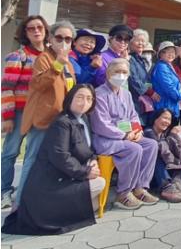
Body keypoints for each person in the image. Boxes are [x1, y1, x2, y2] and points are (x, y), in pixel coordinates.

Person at [2, 85, 105, 235]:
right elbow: (60, 156)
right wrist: (85, 172)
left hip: (69, 175)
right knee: (99, 183)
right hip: (52, 182)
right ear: (70, 99)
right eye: (80, 97)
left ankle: (66, 209)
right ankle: (53, 211)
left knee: (92, 203)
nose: (84, 102)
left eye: (89, 99)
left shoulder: (83, 119)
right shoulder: (62, 123)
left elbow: (86, 148)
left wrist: (92, 159)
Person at [17, 20, 77, 205]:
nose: (63, 42)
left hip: (61, 121)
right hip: (42, 120)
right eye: (59, 38)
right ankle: (19, 203)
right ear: (50, 39)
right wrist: (57, 64)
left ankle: (39, 201)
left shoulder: (69, 64)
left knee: (52, 162)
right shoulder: (44, 58)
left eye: (68, 39)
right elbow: (39, 84)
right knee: (33, 159)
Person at [90, 58, 159, 209]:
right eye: (117, 72)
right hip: (105, 139)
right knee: (134, 149)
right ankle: (123, 193)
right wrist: (124, 135)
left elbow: (133, 115)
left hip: (127, 135)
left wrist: (138, 131)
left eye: (124, 72)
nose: (120, 75)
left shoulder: (126, 94)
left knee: (151, 145)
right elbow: (101, 124)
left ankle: (140, 188)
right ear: (108, 73)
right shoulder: (99, 94)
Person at [1, 15, 49, 209]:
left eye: (40, 27)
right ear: (25, 33)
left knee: (33, 154)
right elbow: (7, 88)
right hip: (20, 112)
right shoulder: (18, 57)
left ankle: (24, 193)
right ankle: (4, 191)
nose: (36, 31)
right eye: (31, 28)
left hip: (40, 113)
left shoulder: (51, 56)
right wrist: (7, 116)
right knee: (10, 152)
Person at [144, 110, 181, 203]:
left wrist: (173, 136)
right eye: (165, 118)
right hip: (152, 175)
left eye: (169, 119)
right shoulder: (148, 132)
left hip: (165, 171)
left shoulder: (164, 133)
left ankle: (177, 180)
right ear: (155, 119)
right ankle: (166, 187)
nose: (167, 122)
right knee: (157, 156)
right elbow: (162, 151)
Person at [151, 41, 181, 125]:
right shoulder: (161, 67)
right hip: (165, 108)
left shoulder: (168, 66)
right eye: (167, 52)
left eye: (172, 52)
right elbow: (169, 88)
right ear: (161, 54)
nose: (170, 54)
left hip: (170, 106)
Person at [128, 29, 156, 125]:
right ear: (131, 42)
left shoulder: (140, 60)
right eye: (138, 40)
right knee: (134, 127)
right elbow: (134, 80)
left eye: (143, 41)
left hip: (142, 103)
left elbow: (146, 80)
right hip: (133, 101)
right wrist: (149, 91)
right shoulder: (130, 59)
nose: (141, 43)